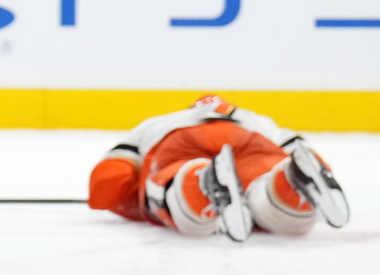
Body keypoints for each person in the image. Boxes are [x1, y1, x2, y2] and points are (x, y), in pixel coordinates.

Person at [87, 95, 349, 241]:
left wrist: (133, 201)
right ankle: (290, 185)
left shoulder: (159, 122)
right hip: (248, 138)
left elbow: (109, 179)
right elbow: (302, 151)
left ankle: (199, 182)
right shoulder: (256, 119)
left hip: (181, 139)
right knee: (268, 188)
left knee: (176, 193)